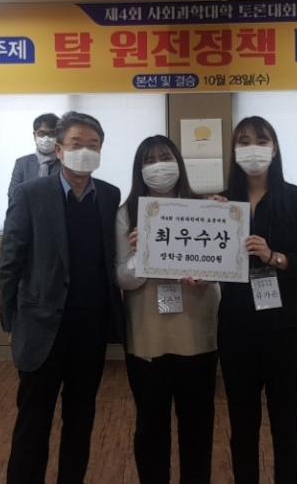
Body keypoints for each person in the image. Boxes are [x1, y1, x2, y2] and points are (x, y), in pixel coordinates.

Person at [0, 111, 124, 484]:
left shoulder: (110, 196)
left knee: (80, 420)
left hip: (90, 329)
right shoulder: (30, 193)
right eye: (76, 144)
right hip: (41, 327)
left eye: (93, 145)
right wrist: (11, 321)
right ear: (58, 149)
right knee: (33, 423)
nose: (85, 151)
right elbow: (10, 260)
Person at [218, 116, 297, 484]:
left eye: (261, 141)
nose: (253, 148)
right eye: (244, 141)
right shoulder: (221, 203)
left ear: (275, 148)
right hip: (236, 330)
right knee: (242, 425)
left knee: (287, 424)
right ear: (234, 151)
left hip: (286, 330)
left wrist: (274, 257)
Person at [115, 136, 219, 484]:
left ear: (179, 162)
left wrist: (205, 275)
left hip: (197, 333)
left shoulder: (204, 209)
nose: (158, 165)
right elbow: (122, 278)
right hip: (148, 337)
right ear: (139, 169)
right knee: (150, 426)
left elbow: (219, 269)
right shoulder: (126, 214)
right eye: (149, 160)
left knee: (198, 425)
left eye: (165, 157)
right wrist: (142, 254)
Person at [7, 112, 61, 206]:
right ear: (34, 135)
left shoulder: (66, 164)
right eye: (41, 133)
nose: (46, 138)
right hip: (26, 214)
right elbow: (13, 196)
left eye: (52, 134)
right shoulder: (22, 164)